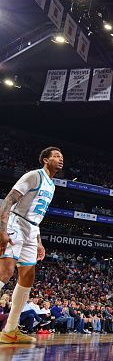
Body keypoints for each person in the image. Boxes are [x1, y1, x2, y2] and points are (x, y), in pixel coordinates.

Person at [0, 147, 63, 344]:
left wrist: (39, 242)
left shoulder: (51, 185)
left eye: (61, 157)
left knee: (28, 276)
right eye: (56, 156)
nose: (60, 159)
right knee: (5, 272)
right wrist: (2, 229)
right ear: (45, 159)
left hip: (31, 229)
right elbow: (9, 200)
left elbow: (37, 216)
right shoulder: (34, 176)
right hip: (15, 223)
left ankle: (10, 330)